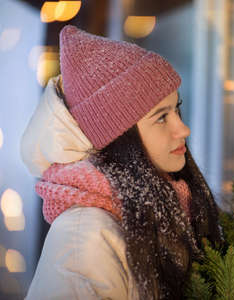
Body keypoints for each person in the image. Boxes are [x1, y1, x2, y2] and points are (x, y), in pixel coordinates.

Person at [20, 25, 222, 300]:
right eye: (161, 117)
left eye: (177, 109)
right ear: (117, 138)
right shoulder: (84, 239)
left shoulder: (162, 208)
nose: (182, 129)